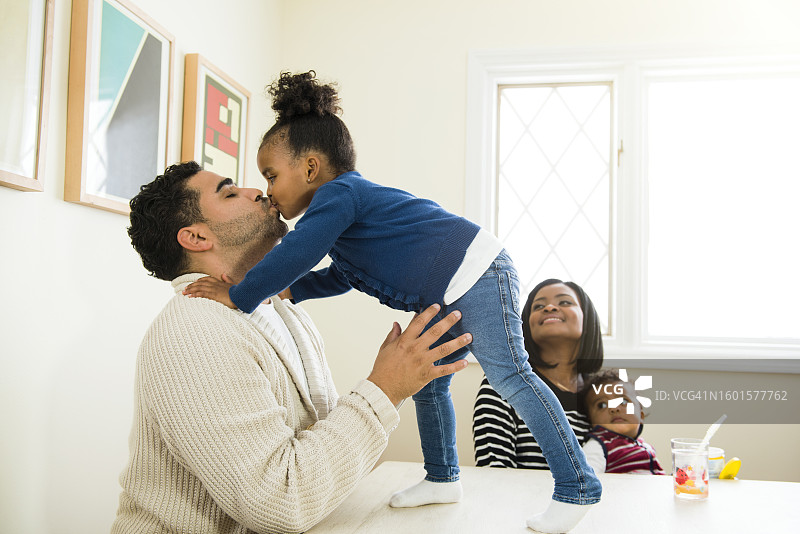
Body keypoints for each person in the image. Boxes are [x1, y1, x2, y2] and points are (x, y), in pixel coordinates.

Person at [184, 71, 601, 532]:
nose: (267, 189)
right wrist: (294, 290)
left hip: (477, 274)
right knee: (429, 383)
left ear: (310, 169)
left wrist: (240, 294)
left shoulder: (338, 195)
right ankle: (442, 478)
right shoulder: (345, 218)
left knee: (513, 377)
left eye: (271, 175)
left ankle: (577, 485)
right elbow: (341, 276)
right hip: (451, 288)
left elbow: (298, 251)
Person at [111, 161, 472, 534]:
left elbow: (315, 468)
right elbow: (280, 503)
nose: (257, 191)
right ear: (198, 238)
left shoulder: (280, 309)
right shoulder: (195, 332)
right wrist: (385, 388)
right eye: (230, 193)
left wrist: (395, 381)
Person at [473, 279, 603, 470]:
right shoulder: (503, 382)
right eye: (539, 305)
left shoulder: (603, 394)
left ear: (587, 318)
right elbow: (493, 470)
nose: (550, 307)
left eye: (565, 302)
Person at [579, 369, 666, 475]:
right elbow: (586, 477)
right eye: (602, 405)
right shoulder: (599, 445)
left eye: (623, 401)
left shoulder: (646, 447)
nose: (614, 408)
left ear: (641, 416)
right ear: (591, 421)